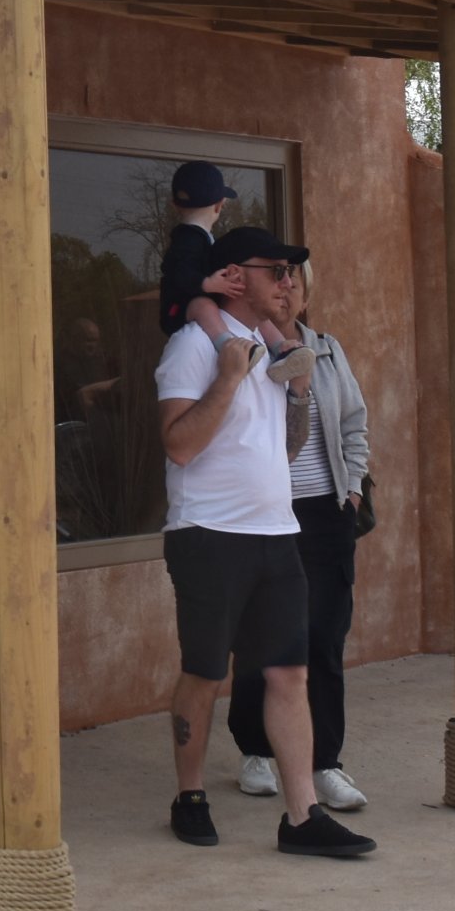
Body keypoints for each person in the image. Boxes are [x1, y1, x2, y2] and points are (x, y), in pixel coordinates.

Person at [155, 227, 374, 857]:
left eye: (291, 272)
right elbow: (178, 443)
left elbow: (284, 446)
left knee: (289, 673)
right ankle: (190, 794)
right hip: (208, 534)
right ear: (233, 276)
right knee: (203, 672)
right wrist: (228, 377)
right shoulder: (194, 347)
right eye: (274, 270)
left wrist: (299, 395)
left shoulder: (273, 349)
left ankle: (301, 817)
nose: (287, 282)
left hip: (278, 532)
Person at [233, 263, 373, 813]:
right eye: (278, 280)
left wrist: (353, 490)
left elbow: (353, 424)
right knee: (258, 639)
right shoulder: (243, 350)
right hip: (265, 515)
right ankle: (254, 750)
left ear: (308, 293)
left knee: (323, 640)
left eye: (296, 282)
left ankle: (326, 763)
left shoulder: (329, 350)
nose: (287, 289)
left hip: (325, 515)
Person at [154, 160, 241, 344]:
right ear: (219, 206)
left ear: (174, 205)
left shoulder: (198, 237)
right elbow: (180, 273)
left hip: (192, 305)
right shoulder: (188, 239)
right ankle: (228, 345)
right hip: (178, 310)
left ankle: (279, 346)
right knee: (204, 306)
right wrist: (208, 283)